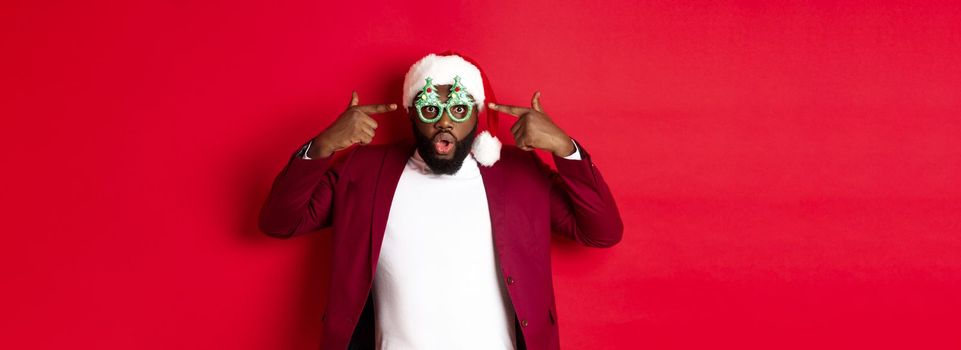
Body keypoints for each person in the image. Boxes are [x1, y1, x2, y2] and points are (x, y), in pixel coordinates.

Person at [258, 52, 623, 350]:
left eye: (459, 110)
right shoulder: (363, 169)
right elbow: (280, 222)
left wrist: (564, 148)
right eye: (431, 109)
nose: (444, 122)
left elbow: (601, 231)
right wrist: (322, 147)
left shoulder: (518, 174)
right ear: (413, 113)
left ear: (477, 115)